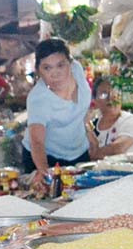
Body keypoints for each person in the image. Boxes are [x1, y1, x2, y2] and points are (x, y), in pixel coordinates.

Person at [21, 38, 91, 177]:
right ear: (38, 71)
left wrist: (90, 133)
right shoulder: (38, 99)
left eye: (61, 65)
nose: (55, 73)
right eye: (47, 68)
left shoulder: (77, 70)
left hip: (80, 153)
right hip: (48, 157)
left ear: (70, 63)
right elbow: (37, 141)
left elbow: (81, 109)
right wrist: (44, 173)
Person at [85, 76, 133, 158]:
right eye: (103, 94)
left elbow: (118, 148)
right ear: (94, 100)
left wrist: (95, 154)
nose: (110, 98)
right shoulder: (92, 124)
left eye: (115, 93)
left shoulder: (130, 120)